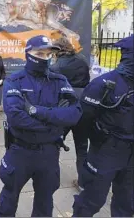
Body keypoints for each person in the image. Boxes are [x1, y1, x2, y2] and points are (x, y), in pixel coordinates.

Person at [0, 35, 82, 216]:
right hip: (20, 150)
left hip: (49, 153)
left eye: (48, 54)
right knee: (9, 196)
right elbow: (16, 117)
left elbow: (74, 114)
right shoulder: (15, 81)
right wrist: (54, 122)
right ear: (28, 54)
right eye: (40, 53)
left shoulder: (60, 81)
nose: (45, 58)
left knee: (45, 200)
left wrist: (37, 112)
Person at [72, 35, 134, 217]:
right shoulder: (103, 85)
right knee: (92, 199)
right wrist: (97, 144)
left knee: (127, 201)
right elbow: (83, 121)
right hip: (106, 149)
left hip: (131, 155)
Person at [50, 36, 90, 191]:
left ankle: (51, 179)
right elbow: (86, 80)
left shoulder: (56, 67)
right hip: (84, 106)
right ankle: (83, 183)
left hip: (65, 108)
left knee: (55, 143)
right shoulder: (82, 60)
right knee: (82, 147)